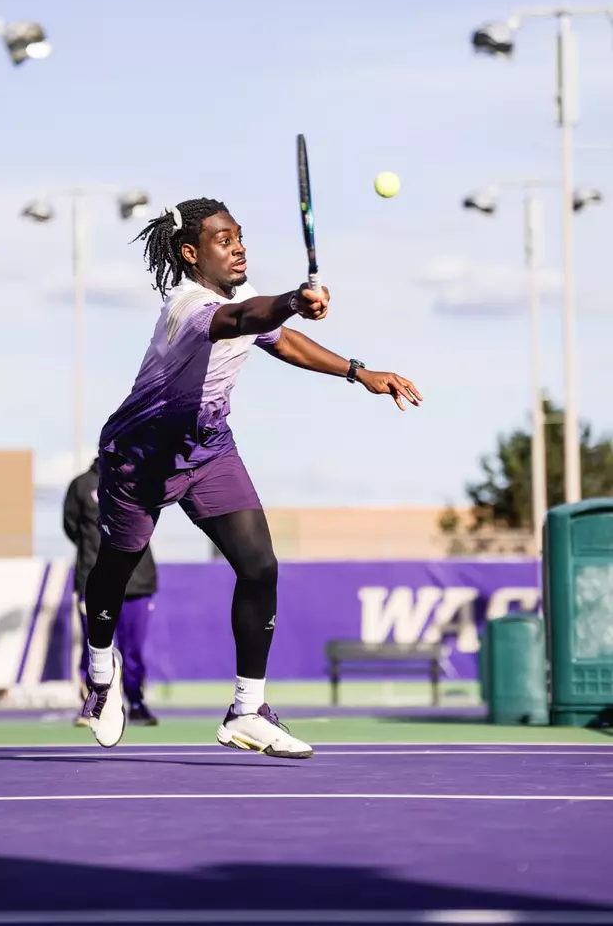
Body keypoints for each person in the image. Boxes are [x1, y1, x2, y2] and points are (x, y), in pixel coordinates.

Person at [80, 197, 421, 757]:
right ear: (192, 253)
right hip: (139, 457)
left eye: (239, 236)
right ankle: (98, 672)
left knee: (260, 568)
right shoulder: (189, 308)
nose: (237, 246)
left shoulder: (241, 295)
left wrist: (359, 372)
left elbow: (278, 338)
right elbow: (243, 321)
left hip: (209, 451)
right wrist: (291, 300)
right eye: (222, 239)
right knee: (116, 566)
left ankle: (247, 709)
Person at [63, 458, 158, 725]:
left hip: (138, 583)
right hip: (95, 582)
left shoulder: (141, 479)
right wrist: (96, 557)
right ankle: (93, 702)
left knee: (134, 649)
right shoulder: (81, 485)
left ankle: (136, 701)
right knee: (93, 647)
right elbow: (72, 527)